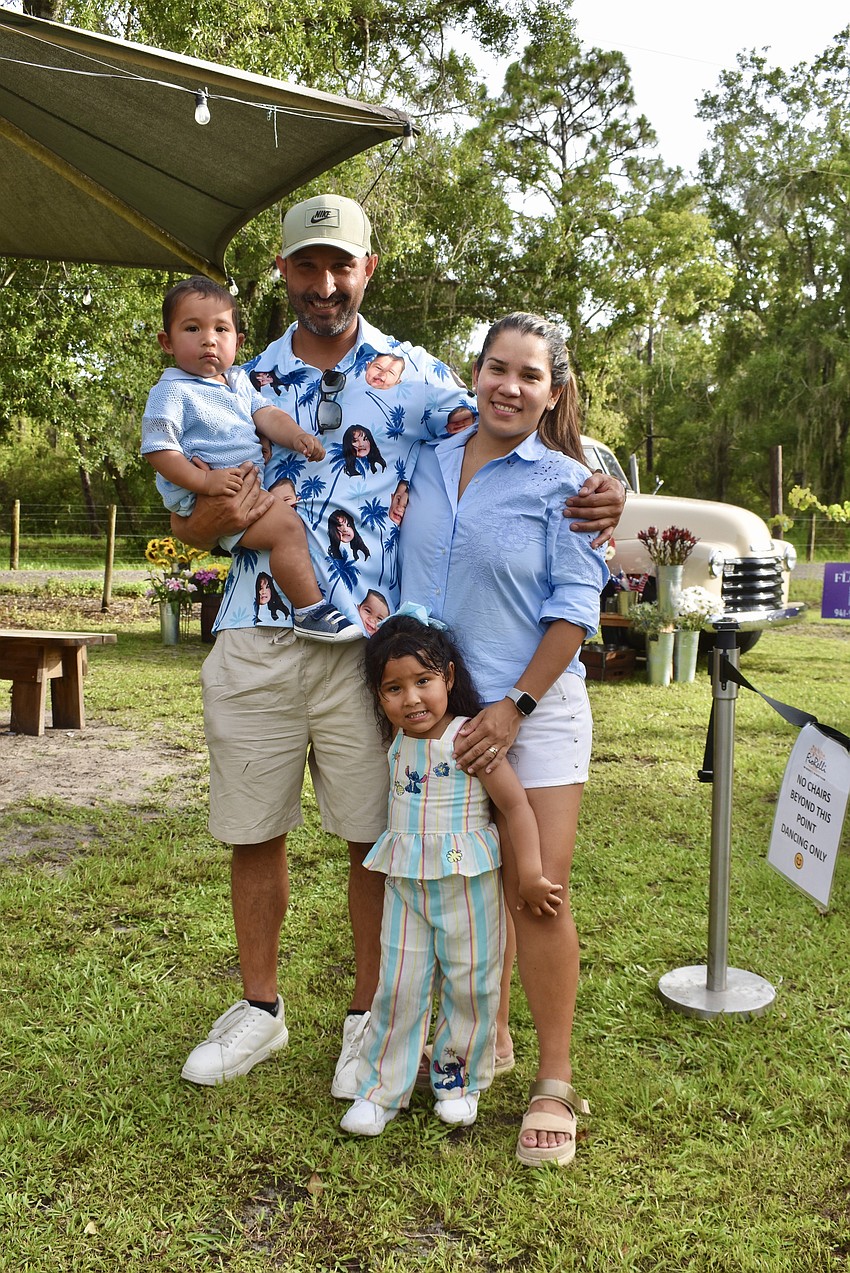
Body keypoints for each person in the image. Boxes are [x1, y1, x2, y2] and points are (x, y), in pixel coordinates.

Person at [171, 194, 625, 1097]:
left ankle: (368, 1018)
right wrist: (234, 515)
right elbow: (186, 522)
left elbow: (520, 432)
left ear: (367, 270)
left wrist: (610, 487)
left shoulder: (416, 375)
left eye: (341, 265)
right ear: (283, 271)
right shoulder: (234, 379)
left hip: (369, 652)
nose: (325, 283)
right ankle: (258, 1008)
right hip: (254, 631)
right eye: (307, 265)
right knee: (254, 829)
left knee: (373, 835)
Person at [398, 312, 607, 1167]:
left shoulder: (571, 484)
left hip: (535, 710)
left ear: (553, 392)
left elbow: (575, 612)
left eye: (530, 375)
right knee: (463, 886)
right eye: (496, 368)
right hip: (444, 721)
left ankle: (554, 1080)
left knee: (536, 889)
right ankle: (485, 1037)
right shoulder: (426, 459)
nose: (509, 386)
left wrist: (514, 707)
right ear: (474, 373)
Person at [339, 609, 561, 1137]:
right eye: (393, 688)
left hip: (469, 890)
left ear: (449, 678)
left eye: (423, 681)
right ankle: (380, 1090)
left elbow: (516, 807)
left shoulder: (469, 739)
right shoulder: (397, 743)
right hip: (406, 888)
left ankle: (457, 1082)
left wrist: (530, 873)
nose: (411, 699)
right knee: (398, 986)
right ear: (378, 696)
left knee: (471, 985)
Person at [141, 277, 358, 643]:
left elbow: (267, 415)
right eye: (192, 328)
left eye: (220, 329)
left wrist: (296, 436)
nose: (208, 339)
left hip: (240, 491)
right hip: (207, 493)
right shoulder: (172, 390)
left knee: (286, 520)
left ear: (238, 342)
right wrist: (205, 483)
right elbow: (158, 449)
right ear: (167, 342)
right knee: (287, 528)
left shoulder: (238, 381)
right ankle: (309, 610)